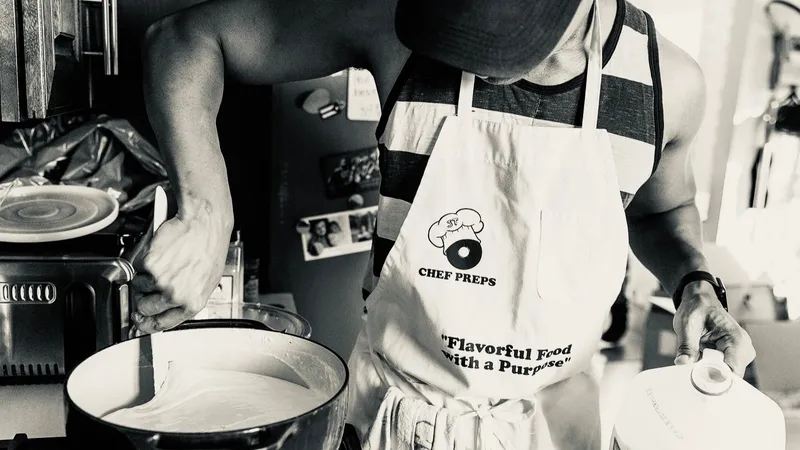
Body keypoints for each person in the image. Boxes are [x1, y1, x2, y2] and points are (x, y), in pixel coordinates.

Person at [130, 0, 757, 447]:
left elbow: (662, 211)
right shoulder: (401, 26)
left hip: (547, 432)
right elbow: (186, 39)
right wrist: (206, 210)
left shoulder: (667, 86)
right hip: (389, 422)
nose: (462, 50)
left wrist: (695, 284)